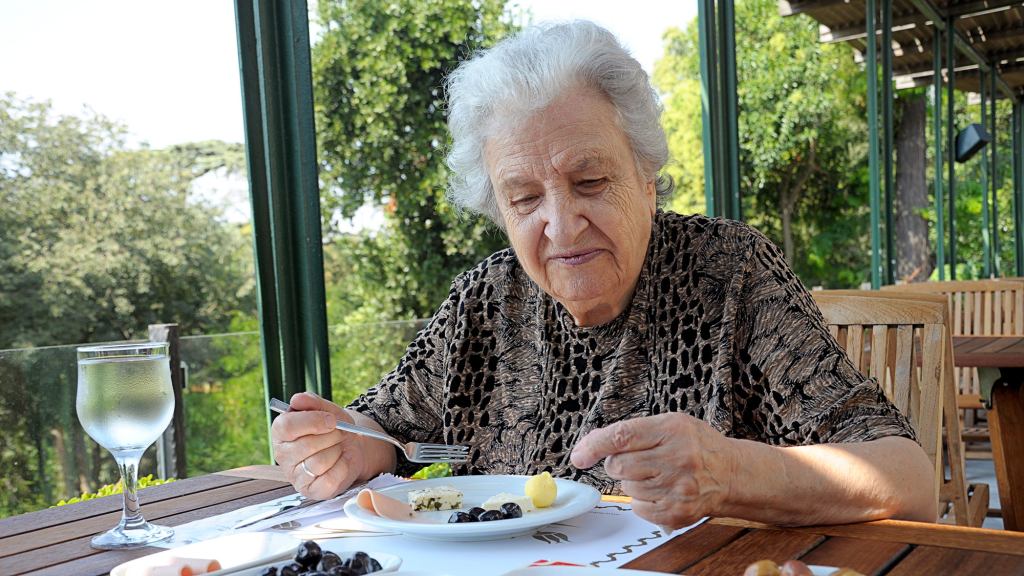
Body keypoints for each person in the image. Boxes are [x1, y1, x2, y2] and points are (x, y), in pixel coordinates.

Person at [271, 20, 935, 530]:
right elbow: (385, 434)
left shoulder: (728, 273)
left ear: (646, 180)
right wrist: (348, 449)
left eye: (588, 181)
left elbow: (908, 479)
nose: (560, 225)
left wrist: (730, 471)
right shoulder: (485, 299)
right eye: (525, 198)